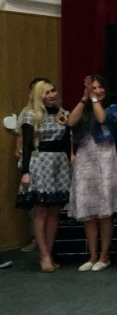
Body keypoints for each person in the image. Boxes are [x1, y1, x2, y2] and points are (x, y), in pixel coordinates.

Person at [66, 75, 117, 272]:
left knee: (105, 211)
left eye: (100, 87)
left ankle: (104, 256)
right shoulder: (85, 108)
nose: (98, 91)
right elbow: (70, 122)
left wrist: (93, 99)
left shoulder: (114, 108)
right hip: (84, 160)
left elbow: (102, 119)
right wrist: (84, 98)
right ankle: (92, 256)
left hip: (104, 160)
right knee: (88, 212)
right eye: (93, 88)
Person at [16, 80, 71, 272]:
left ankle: (50, 251)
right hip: (40, 162)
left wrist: (70, 165)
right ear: (39, 96)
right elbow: (26, 146)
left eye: (53, 90)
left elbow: (66, 141)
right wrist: (25, 172)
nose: (52, 95)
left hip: (59, 163)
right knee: (41, 211)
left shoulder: (63, 113)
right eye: (47, 92)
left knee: (55, 211)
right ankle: (43, 255)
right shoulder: (30, 114)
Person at [16, 78, 50, 254]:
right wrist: (19, 153)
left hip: (52, 162)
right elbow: (21, 136)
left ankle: (49, 245)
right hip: (33, 161)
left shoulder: (56, 111)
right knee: (34, 206)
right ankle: (35, 239)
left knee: (51, 206)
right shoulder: (27, 113)